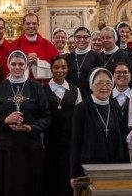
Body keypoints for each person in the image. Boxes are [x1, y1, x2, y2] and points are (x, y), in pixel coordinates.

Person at [0, 50, 51, 196]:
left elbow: (46, 116)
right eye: (14, 64)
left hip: (30, 146)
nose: (17, 67)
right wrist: (5, 120)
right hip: (6, 147)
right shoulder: (0, 88)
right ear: (8, 65)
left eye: (21, 64)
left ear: (26, 66)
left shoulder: (36, 87)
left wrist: (31, 127)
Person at [70, 68, 128, 183]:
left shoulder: (115, 107)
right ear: (92, 85)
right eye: (100, 83)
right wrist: (73, 174)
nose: (104, 87)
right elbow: (75, 142)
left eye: (108, 83)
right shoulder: (82, 108)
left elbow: (122, 140)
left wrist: (126, 166)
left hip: (114, 167)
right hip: (89, 169)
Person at [43, 56, 81, 196]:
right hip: (49, 141)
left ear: (68, 69)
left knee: (67, 175)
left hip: (69, 141)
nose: (60, 70)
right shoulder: (42, 89)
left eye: (63, 67)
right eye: (56, 67)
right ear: (51, 69)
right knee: (51, 175)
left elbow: (79, 116)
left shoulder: (75, 90)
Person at [11, 13, 59, 82]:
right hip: (21, 86)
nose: (31, 26)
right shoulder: (14, 45)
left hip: (43, 87)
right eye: (28, 24)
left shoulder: (48, 45)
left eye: (34, 23)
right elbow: (8, 69)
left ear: (38, 25)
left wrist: (38, 63)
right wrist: (26, 63)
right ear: (23, 26)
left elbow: (56, 67)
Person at [65, 26, 104, 98]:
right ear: (74, 38)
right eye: (78, 37)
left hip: (90, 96)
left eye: (85, 37)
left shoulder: (96, 56)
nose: (82, 40)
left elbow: (100, 78)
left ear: (89, 39)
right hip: (71, 95)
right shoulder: (68, 57)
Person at [111, 62, 132, 138]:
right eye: (118, 72)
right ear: (113, 76)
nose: (122, 75)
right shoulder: (106, 97)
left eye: (125, 72)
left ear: (130, 76)